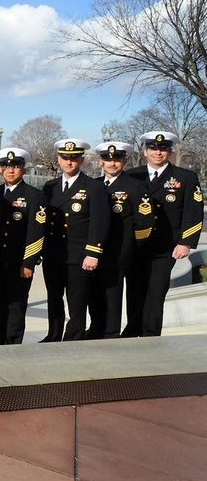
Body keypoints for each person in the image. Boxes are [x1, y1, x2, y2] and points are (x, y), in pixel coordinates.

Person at [124, 131, 204, 337]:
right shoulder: (132, 176)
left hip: (164, 246)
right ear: (145, 151)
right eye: (153, 149)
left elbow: (193, 212)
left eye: (163, 149)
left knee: (156, 293)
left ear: (169, 151)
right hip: (135, 246)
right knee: (133, 291)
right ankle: (132, 331)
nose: (158, 153)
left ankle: (151, 335)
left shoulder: (185, 177)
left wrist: (186, 242)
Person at [41, 139, 109, 342]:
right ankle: (53, 335)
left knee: (77, 301)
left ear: (81, 159)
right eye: (64, 158)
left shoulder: (93, 187)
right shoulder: (50, 186)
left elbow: (99, 223)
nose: (68, 162)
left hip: (79, 255)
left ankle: (74, 337)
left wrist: (93, 253)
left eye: (73, 158)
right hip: (53, 253)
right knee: (54, 298)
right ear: (58, 159)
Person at [88, 142, 153, 339]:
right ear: (100, 161)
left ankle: (111, 333)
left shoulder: (135, 186)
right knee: (94, 293)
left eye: (116, 160)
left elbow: (145, 223)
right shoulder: (95, 185)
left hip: (119, 250)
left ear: (124, 161)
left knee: (112, 295)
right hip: (94, 250)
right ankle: (96, 328)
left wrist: (131, 246)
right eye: (108, 160)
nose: (112, 163)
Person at [0, 148, 46, 345]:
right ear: (0, 170)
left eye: (16, 167)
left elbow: (37, 232)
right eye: (6, 166)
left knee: (16, 305)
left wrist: (29, 262)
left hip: (19, 260)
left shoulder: (34, 196)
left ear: (24, 170)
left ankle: (13, 340)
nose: (11, 171)